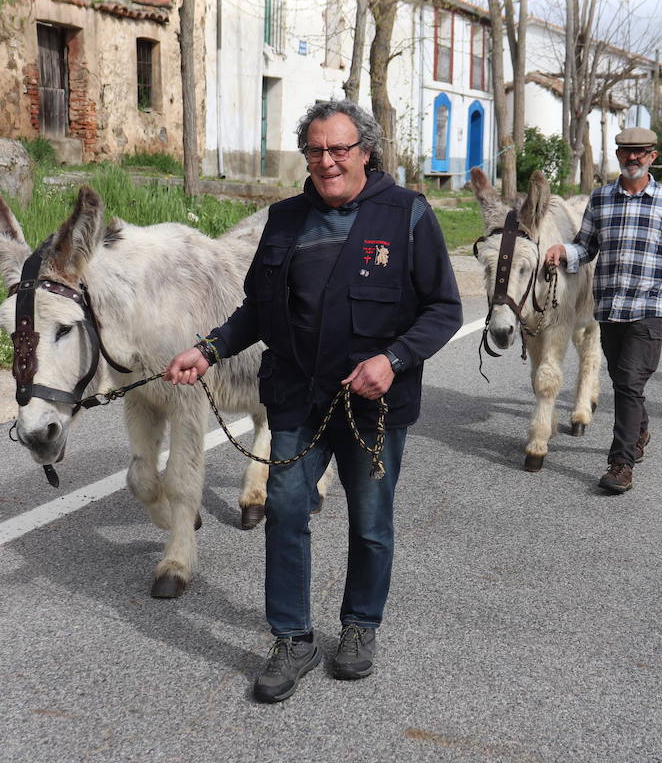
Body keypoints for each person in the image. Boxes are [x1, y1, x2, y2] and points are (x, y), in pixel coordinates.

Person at [163, 99, 462, 703]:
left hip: (372, 404)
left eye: (339, 149)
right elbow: (256, 310)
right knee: (286, 509)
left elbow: (444, 309)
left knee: (371, 523)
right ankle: (292, 637)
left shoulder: (407, 215)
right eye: (316, 150)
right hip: (298, 397)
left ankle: (359, 627)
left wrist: (394, 360)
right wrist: (211, 349)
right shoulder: (284, 220)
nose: (327, 161)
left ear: (365, 152)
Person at [544, 126, 662, 493]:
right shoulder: (601, 199)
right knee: (625, 383)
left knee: (630, 382)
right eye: (625, 152)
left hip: (648, 308)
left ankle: (621, 463)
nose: (632, 158)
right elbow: (584, 247)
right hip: (609, 307)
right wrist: (561, 252)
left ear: (652, 156)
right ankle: (640, 430)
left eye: (640, 152)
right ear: (618, 156)